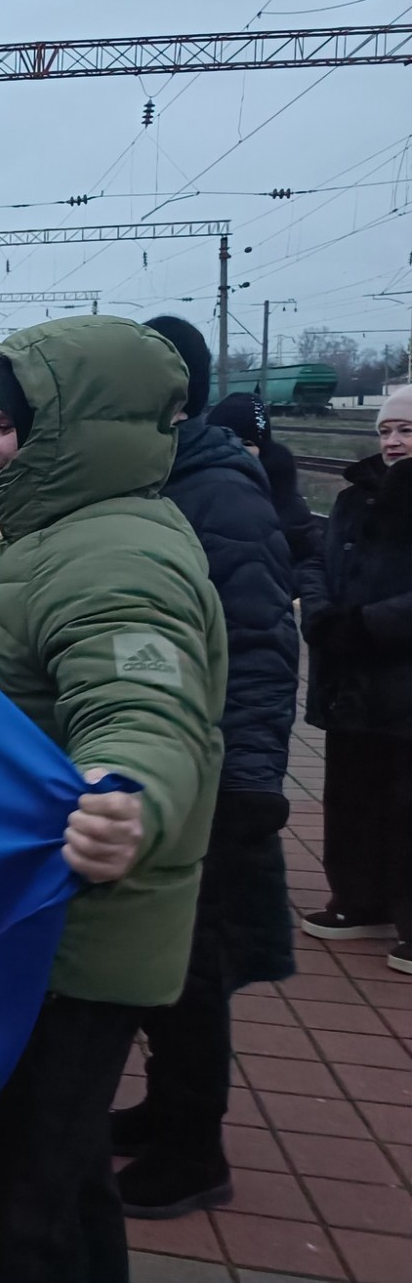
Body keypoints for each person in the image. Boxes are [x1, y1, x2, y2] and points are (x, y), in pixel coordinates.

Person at [0, 317, 225, 1283]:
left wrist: (126, 791)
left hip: (64, 942)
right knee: (65, 1184)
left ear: (71, 430)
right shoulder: (68, 532)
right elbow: (32, 654)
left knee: (5, 1207)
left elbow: (141, 701)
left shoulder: (116, 554)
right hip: (40, 925)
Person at [105, 318, 298, 1218]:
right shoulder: (163, 477)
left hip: (212, 773)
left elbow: (261, 639)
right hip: (167, 760)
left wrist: (255, 778)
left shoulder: (216, 491)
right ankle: (164, 1110)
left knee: (194, 968)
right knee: (163, 964)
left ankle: (196, 1149)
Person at [293, 384, 412, 973]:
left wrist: (369, 625)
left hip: (400, 675)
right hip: (349, 679)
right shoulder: (352, 497)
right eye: (386, 431)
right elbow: (315, 560)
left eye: (406, 430)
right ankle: (358, 900)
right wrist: (319, 612)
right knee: (353, 795)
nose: (392, 441)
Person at [209, 390, 316, 565]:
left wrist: (310, 592)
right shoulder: (197, 490)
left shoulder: (284, 496)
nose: (236, 450)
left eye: (246, 443)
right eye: (227, 440)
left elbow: (307, 558)